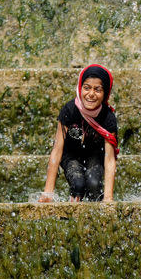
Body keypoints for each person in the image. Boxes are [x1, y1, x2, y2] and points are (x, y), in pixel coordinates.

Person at [42, 64, 119, 202]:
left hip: (95, 156)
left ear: (105, 93)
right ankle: (72, 214)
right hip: (70, 155)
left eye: (98, 90)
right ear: (80, 88)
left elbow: (109, 159)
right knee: (78, 184)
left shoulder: (108, 117)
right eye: (87, 88)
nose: (91, 94)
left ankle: (95, 217)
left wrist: (108, 198)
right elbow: (57, 150)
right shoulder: (69, 110)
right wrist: (48, 193)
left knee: (94, 184)